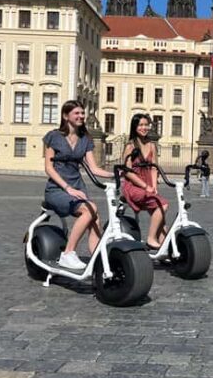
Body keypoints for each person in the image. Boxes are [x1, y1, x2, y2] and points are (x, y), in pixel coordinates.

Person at [43, 100, 114, 270]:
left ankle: (97, 258)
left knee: (95, 217)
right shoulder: (54, 136)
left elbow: (94, 168)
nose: (81, 116)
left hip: (77, 187)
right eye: (77, 113)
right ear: (65, 116)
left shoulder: (85, 139)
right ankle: (68, 253)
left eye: (82, 113)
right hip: (57, 188)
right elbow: (48, 168)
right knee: (89, 209)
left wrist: (117, 174)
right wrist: (67, 188)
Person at [122, 113, 170, 250]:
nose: (144, 128)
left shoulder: (152, 146)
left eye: (146, 125)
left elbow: (154, 168)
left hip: (148, 185)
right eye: (141, 125)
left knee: (160, 218)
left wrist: (154, 186)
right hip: (133, 186)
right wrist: (145, 186)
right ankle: (151, 238)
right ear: (135, 127)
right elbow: (127, 171)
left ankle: (164, 249)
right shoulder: (130, 146)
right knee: (163, 205)